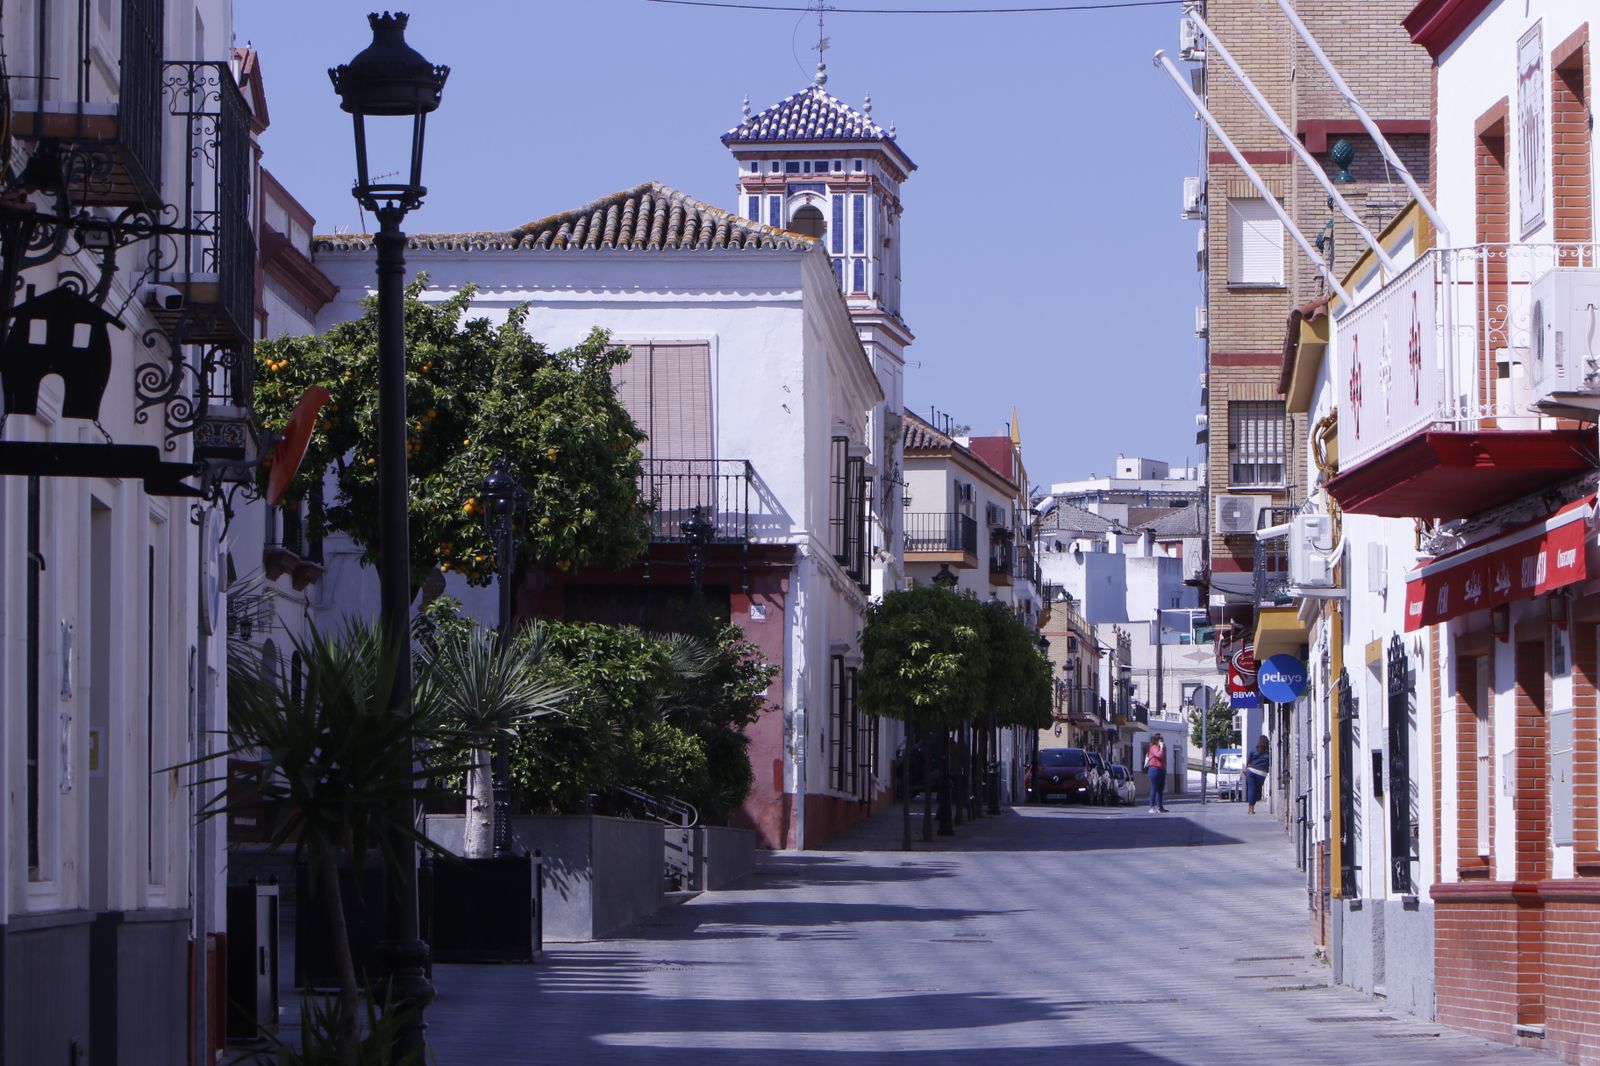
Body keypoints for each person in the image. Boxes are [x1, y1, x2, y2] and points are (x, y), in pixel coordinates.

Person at [1245, 734, 1271, 814]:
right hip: (1261, 773)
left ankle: (1250, 808)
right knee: (1258, 791)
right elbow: (1270, 763)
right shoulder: (1268, 752)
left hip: (1251, 771)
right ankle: (1252, 808)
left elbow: (1248, 761)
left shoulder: (1254, 750)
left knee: (1251, 789)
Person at [1144, 735, 1168, 814]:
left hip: (1161, 770)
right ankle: (1152, 806)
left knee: (1160, 789)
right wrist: (1161, 748)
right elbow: (1159, 755)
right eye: (1161, 740)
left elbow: (1164, 759)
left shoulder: (1162, 748)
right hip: (1154, 769)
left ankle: (1160, 806)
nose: (1162, 742)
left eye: (1162, 740)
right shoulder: (1153, 747)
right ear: (1156, 740)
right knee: (1154, 788)